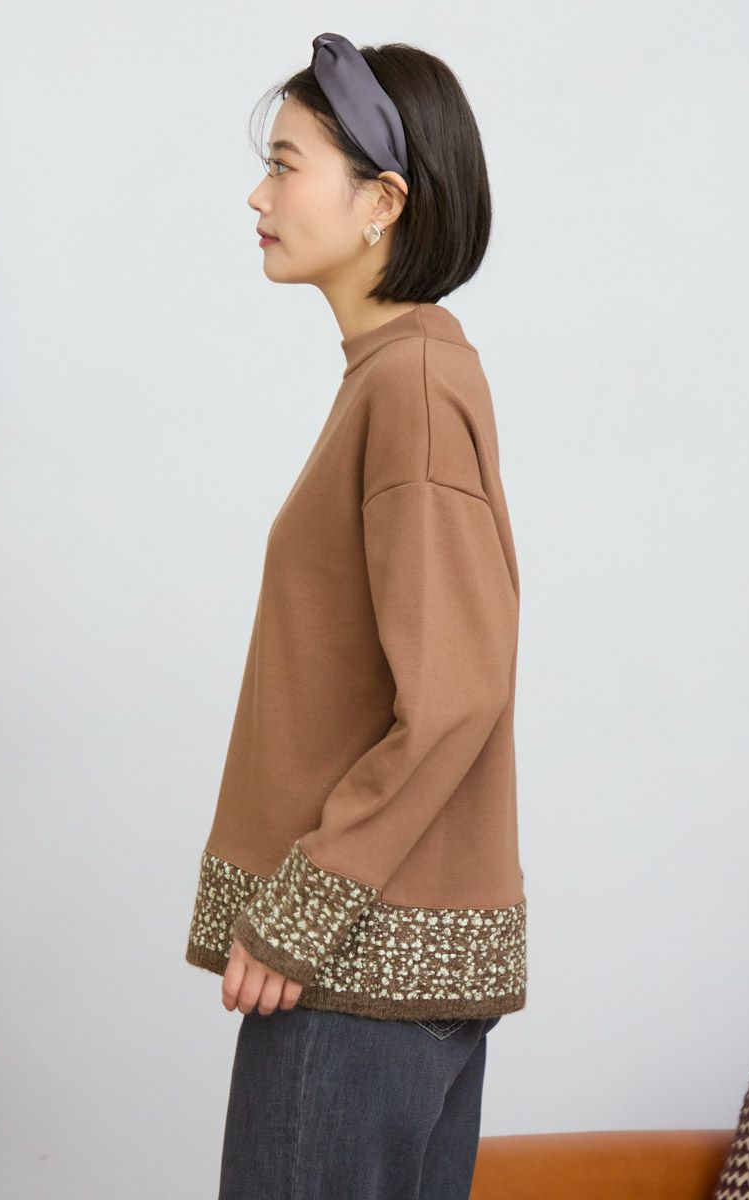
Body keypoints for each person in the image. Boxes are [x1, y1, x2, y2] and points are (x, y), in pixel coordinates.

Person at [184, 31, 526, 1200]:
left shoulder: (412, 387)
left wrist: (300, 908)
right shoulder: (401, 376)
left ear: (382, 201)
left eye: (285, 165)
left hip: (351, 981)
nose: (258, 195)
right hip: (378, 985)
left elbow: (458, 689)